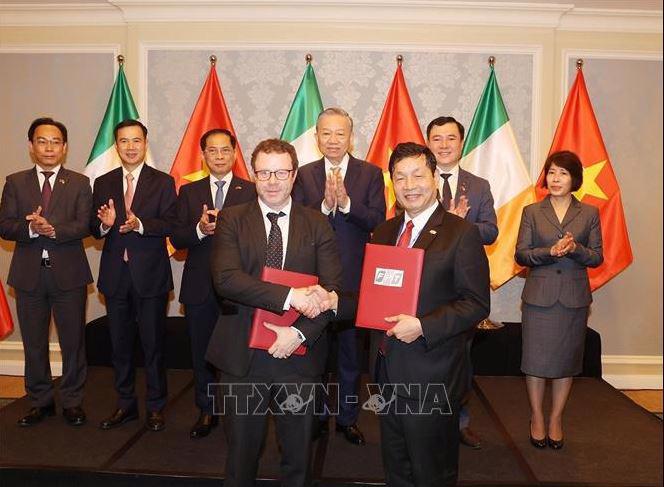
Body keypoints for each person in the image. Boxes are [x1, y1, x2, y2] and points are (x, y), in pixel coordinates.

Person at [205, 138, 342, 487]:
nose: (272, 180)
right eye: (264, 172)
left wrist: (298, 333)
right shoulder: (232, 219)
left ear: (295, 175)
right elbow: (226, 280)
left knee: (298, 460)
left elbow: (331, 293)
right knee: (240, 459)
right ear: (252, 174)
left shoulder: (317, 224)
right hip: (242, 358)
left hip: (298, 358)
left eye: (281, 171)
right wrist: (290, 296)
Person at [372, 142, 490, 486]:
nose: (409, 185)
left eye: (418, 175)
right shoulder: (383, 232)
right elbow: (374, 295)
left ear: (435, 176)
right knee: (396, 469)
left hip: (432, 376)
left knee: (431, 472)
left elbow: (476, 303)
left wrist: (424, 325)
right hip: (387, 372)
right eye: (400, 177)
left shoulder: (461, 233)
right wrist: (332, 299)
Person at [293, 107, 385, 445]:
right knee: (314, 352)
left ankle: (347, 418)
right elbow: (295, 221)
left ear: (350, 136)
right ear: (317, 138)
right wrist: (321, 207)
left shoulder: (370, 174)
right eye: (326, 133)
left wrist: (346, 204)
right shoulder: (302, 175)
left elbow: (378, 220)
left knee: (349, 354)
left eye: (340, 133)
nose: (333, 140)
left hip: (352, 279)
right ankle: (315, 415)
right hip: (310, 279)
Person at [0, 117, 92, 427]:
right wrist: (30, 227)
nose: (49, 147)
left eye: (55, 142)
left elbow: (85, 225)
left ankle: (72, 401)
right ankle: (39, 401)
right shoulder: (15, 182)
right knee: (34, 342)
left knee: (73, 341)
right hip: (28, 276)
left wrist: (53, 230)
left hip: (69, 275)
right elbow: (4, 226)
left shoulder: (80, 182)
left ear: (65, 148)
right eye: (42, 141)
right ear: (31, 146)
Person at [91, 119, 177, 432]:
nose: (130, 147)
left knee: (153, 345)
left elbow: (170, 223)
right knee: (120, 345)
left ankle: (156, 407)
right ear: (117, 145)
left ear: (145, 143)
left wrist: (140, 224)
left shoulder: (163, 181)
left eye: (136, 141)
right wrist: (105, 223)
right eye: (124, 141)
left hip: (150, 275)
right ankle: (125, 404)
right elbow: (93, 227)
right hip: (115, 276)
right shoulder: (103, 182)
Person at [515, 150, 603, 450]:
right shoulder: (532, 212)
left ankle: (556, 418)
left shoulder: (589, 213)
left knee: (566, 363)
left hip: (573, 299)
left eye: (563, 173)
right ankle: (537, 417)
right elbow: (521, 254)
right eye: (551, 172)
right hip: (539, 298)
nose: (556, 178)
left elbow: (597, 257)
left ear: (574, 178)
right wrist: (548, 252)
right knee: (536, 363)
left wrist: (575, 248)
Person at [171, 128, 255, 439]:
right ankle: (206, 409)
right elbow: (177, 239)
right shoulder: (189, 193)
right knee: (202, 352)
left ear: (235, 154)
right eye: (212, 151)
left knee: (238, 353)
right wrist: (201, 229)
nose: (219, 156)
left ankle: (239, 411)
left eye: (224, 150)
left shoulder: (251, 191)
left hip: (240, 287)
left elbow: (261, 239)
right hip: (199, 287)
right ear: (203, 155)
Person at [426, 115, 498, 448]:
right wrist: (446, 223)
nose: (443, 145)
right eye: (437, 139)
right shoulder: (417, 180)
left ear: (461, 142)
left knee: (462, 356)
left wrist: (461, 226)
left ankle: (460, 422)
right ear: (428, 143)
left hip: (464, 283)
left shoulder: (479, 185)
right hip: (426, 283)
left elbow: (492, 230)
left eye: (450, 138)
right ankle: (427, 418)